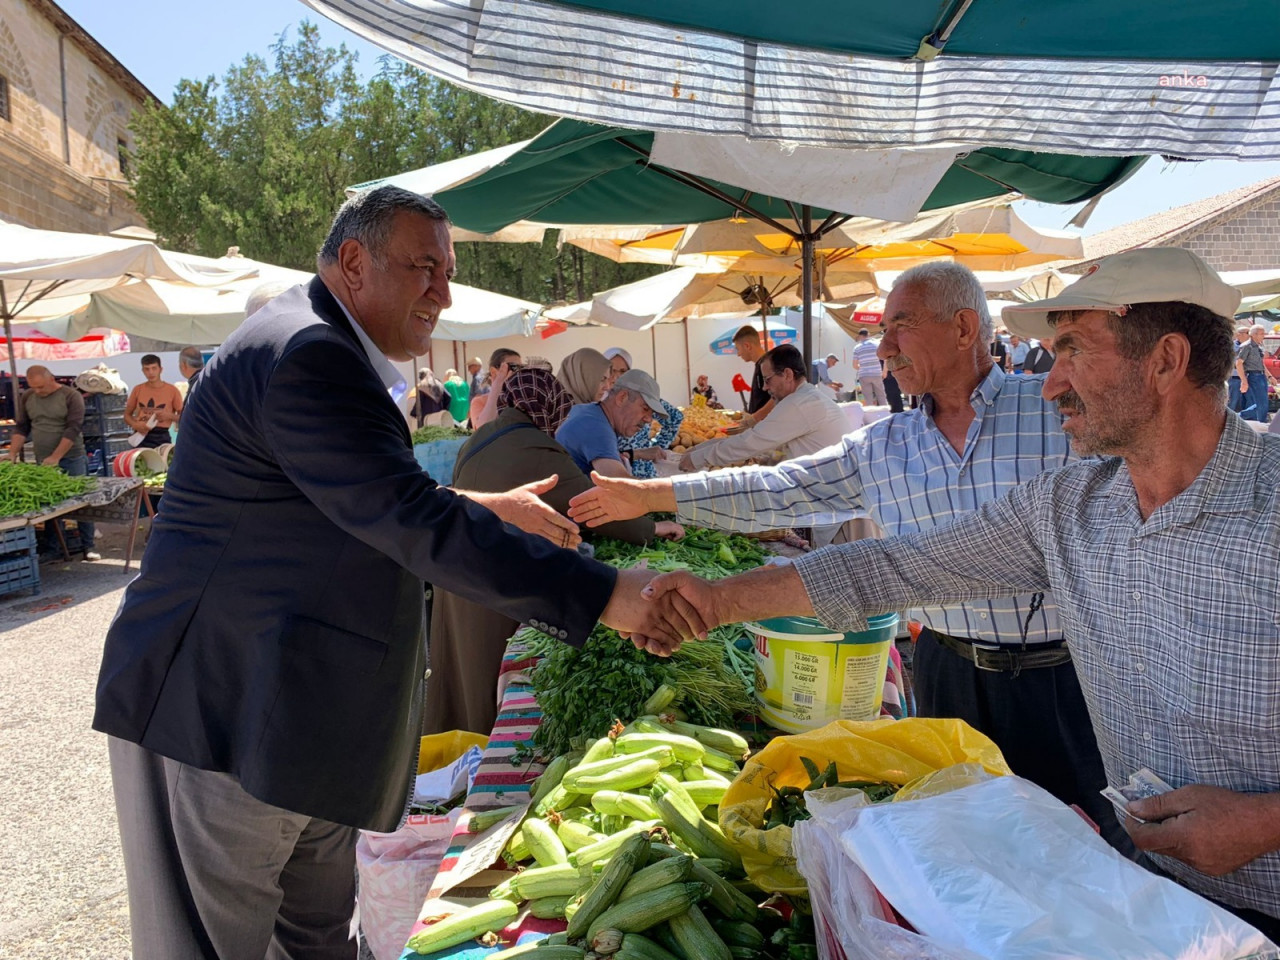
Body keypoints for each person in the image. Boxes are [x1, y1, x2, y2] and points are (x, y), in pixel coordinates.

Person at [92, 186, 698, 960]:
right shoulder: (308, 352)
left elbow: (337, 497)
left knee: (318, 937)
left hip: (300, 716)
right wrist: (609, 595)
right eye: (425, 269)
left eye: (447, 272)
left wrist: (475, 503)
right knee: (217, 944)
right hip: (222, 707)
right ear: (353, 263)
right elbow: (405, 520)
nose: (442, 293)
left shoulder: (319, 346)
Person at [635, 247, 1280, 942]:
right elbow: (895, 568)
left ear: (1165, 360)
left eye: (1072, 350)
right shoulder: (1071, 505)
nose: (1052, 382)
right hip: (1150, 899)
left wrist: (1264, 821)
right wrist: (713, 601)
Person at [570, 260, 1123, 849]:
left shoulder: (1054, 414)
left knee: (1083, 842)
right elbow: (777, 489)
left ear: (964, 328)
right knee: (971, 842)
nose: (882, 348)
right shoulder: (886, 442)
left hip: (1064, 678)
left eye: (900, 327)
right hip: (946, 674)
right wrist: (656, 496)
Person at [427, 367, 684, 734]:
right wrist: (650, 528)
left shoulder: (482, 436)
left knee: (459, 666)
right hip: (492, 573)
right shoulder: (531, 444)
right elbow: (589, 501)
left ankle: (454, 750)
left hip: (455, 567)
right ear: (547, 404)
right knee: (485, 666)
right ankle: (481, 746)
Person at [685, 343, 850, 545]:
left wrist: (695, 458)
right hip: (822, 499)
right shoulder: (804, 399)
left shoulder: (800, 403)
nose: (764, 387)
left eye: (767, 379)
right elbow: (775, 448)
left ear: (787, 374)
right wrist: (697, 450)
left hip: (824, 505)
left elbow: (750, 442)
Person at [8, 365, 98, 561]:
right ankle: (53, 548)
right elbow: (22, 427)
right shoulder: (28, 397)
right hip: (43, 458)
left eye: (41, 387)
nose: (38, 391)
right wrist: (12, 453)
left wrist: (56, 456)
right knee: (50, 505)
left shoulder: (71, 396)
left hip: (71, 456)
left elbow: (73, 429)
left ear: (51, 379)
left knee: (81, 500)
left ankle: (88, 546)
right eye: (33, 387)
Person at [556, 368, 668, 478]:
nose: (649, 419)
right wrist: (673, 489)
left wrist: (636, 454)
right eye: (645, 408)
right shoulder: (597, 428)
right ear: (622, 397)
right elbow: (621, 486)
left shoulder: (588, 411)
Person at [123, 354, 183, 449]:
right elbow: (127, 415)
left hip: (161, 435)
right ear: (143, 371)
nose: (151, 372)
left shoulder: (172, 390)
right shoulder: (138, 389)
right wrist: (135, 424)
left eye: (154, 368)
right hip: (140, 435)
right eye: (147, 369)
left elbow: (184, 417)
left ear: (160, 369)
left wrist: (168, 415)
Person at [469, 347, 523, 428]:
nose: (518, 373)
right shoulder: (480, 402)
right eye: (513, 367)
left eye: (521, 368)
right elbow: (484, 430)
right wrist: (498, 387)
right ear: (494, 372)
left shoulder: (523, 399)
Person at [732, 325, 775, 422]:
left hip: (767, 427)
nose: (738, 354)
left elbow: (777, 398)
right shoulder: (760, 364)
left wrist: (754, 418)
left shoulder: (767, 365)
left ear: (747, 346)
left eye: (738, 349)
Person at [1235, 323, 1275, 423]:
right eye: (1261, 333)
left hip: (1261, 376)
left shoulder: (1258, 347)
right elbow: (1239, 363)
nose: (1263, 336)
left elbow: (1261, 364)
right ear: (1254, 334)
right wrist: (1243, 381)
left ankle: (1240, 417)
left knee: (1263, 403)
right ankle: (1258, 422)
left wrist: (1270, 376)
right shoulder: (1247, 346)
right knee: (1262, 403)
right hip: (1253, 376)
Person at [852, 327, 887, 405]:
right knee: (881, 396)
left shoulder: (857, 348)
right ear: (868, 335)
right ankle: (885, 413)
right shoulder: (877, 345)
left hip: (864, 375)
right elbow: (885, 359)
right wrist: (884, 371)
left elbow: (854, 365)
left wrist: (862, 367)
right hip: (877, 373)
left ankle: (871, 415)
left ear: (860, 336)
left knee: (868, 398)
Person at [1227, 326, 1250, 414]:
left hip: (1248, 378)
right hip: (1235, 378)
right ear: (1238, 334)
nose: (1250, 335)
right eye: (1247, 333)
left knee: (1245, 404)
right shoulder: (1232, 347)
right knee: (1233, 402)